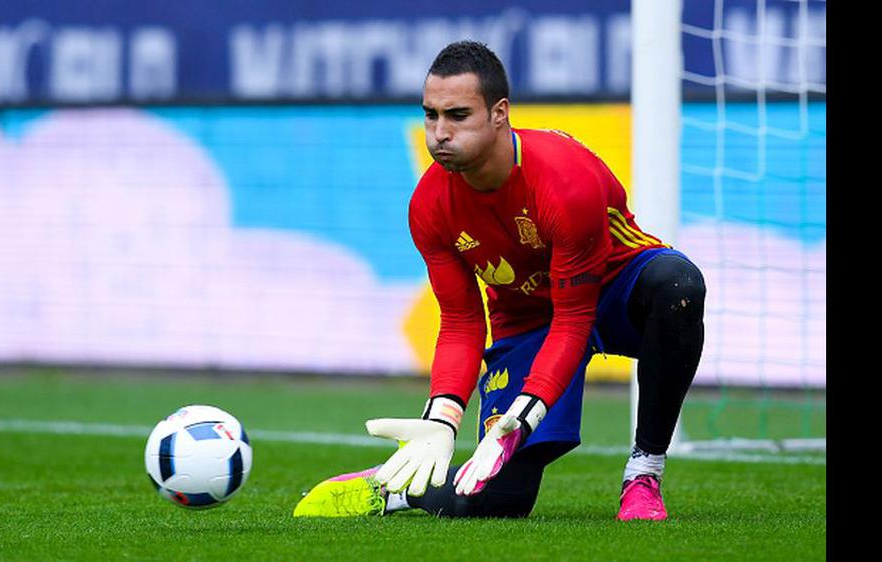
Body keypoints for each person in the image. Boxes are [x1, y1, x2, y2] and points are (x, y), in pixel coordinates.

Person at [293, 40, 705, 521]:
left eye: (458, 115)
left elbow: (575, 318)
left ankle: (643, 473)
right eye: (431, 116)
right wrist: (442, 419)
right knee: (497, 501)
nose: (439, 133)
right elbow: (462, 322)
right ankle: (394, 487)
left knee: (679, 288)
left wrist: (526, 413)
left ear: (499, 114)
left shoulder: (565, 182)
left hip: (614, 290)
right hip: (530, 319)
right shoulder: (429, 206)